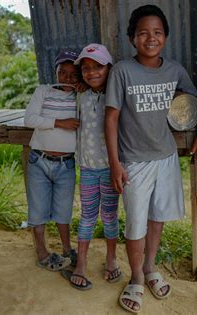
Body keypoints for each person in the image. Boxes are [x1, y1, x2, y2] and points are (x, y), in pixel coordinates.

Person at [104, 5, 197, 313]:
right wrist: (115, 163)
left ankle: (150, 268)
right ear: (132, 38)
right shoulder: (123, 71)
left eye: (158, 32)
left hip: (165, 158)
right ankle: (135, 278)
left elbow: (192, 104)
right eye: (144, 33)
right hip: (133, 161)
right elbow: (110, 119)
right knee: (136, 225)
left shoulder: (174, 70)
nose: (151, 38)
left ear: (166, 37)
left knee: (156, 218)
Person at [60, 44, 122, 290]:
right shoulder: (80, 94)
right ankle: (82, 263)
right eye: (86, 68)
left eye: (98, 67)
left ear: (109, 68)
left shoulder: (116, 96)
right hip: (87, 167)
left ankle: (112, 258)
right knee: (87, 215)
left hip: (111, 168)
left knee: (109, 216)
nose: (92, 72)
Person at [24, 50, 80, 272]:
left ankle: (67, 249)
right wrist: (60, 122)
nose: (67, 78)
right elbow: (30, 119)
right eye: (62, 72)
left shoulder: (81, 97)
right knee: (37, 208)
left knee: (63, 210)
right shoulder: (43, 91)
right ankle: (41, 251)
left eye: (73, 74)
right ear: (55, 73)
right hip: (39, 160)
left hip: (66, 164)